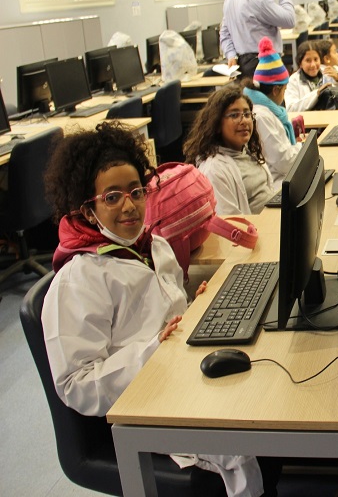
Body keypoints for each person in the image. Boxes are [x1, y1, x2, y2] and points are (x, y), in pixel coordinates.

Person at [40, 121, 274, 497]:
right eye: (112, 197)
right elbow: (75, 385)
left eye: (136, 192)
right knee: (243, 433)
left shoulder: (154, 245)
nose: (129, 205)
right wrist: (153, 351)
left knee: (265, 390)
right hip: (143, 406)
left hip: (180, 373)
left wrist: (197, 307)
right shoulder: (78, 280)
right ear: (88, 210)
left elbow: (164, 311)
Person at [184, 84, 277, 215]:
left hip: (273, 217)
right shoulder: (214, 170)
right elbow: (231, 222)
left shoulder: (247, 151)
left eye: (247, 114)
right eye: (234, 115)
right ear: (217, 124)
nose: (244, 121)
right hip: (259, 226)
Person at [220, 0, 295, 79]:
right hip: (264, 64)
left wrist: (231, 55)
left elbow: (224, 33)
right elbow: (289, 20)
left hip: (242, 65)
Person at [244, 37, 301, 184]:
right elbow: (285, 162)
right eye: (284, 90)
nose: (284, 95)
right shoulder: (262, 116)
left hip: (280, 176)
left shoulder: (267, 111)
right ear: (276, 90)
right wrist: (302, 147)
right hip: (276, 183)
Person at [284, 40, 338, 111]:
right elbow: (290, 109)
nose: (313, 65)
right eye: (308, 61)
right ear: (300, 63)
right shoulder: (293, 81)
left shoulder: (328, 72)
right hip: (308, 117)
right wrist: (317, 93)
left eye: (316, 59)